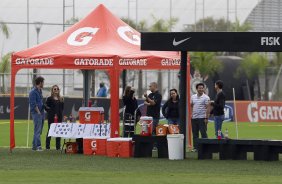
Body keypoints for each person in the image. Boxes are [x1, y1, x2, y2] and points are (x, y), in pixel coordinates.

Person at [191, 82, 210, 151]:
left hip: (202, 118)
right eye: (199, 88)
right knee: (195, 134)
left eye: (202, 88)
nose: (201, 89)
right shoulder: (193, 97)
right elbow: (191, 106)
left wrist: (206, 118)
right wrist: (191, 114)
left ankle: (206, 147)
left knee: (203, 133)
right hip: (194, 118)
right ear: (196, 89)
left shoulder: (206, 97)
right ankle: (196, 148)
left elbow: (208, 108)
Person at [45, 85, 64, 150]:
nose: (56, 90)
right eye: (54, 89)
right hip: (51, 117)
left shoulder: (61, 98)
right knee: (50, 131)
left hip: (59, 117)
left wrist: (60, 114)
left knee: (58, 132)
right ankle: (47, 147)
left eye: (57, 89)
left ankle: (58, 147)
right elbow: (46, 107)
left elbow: (62, 108)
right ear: (52, 90)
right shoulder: (49, 98)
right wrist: (50, 112)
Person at [29, 76, 45, 151]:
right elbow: (33, 104)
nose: (43, 84)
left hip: (41, 112)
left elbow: (40, 102)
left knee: (38, 130)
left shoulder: (40, 91)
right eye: (43, 82)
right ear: (40, 83)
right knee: (38, 130)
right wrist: (38, 113)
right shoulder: (33, 92)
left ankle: (34, 146)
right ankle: (38, 146)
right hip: (37, 113)